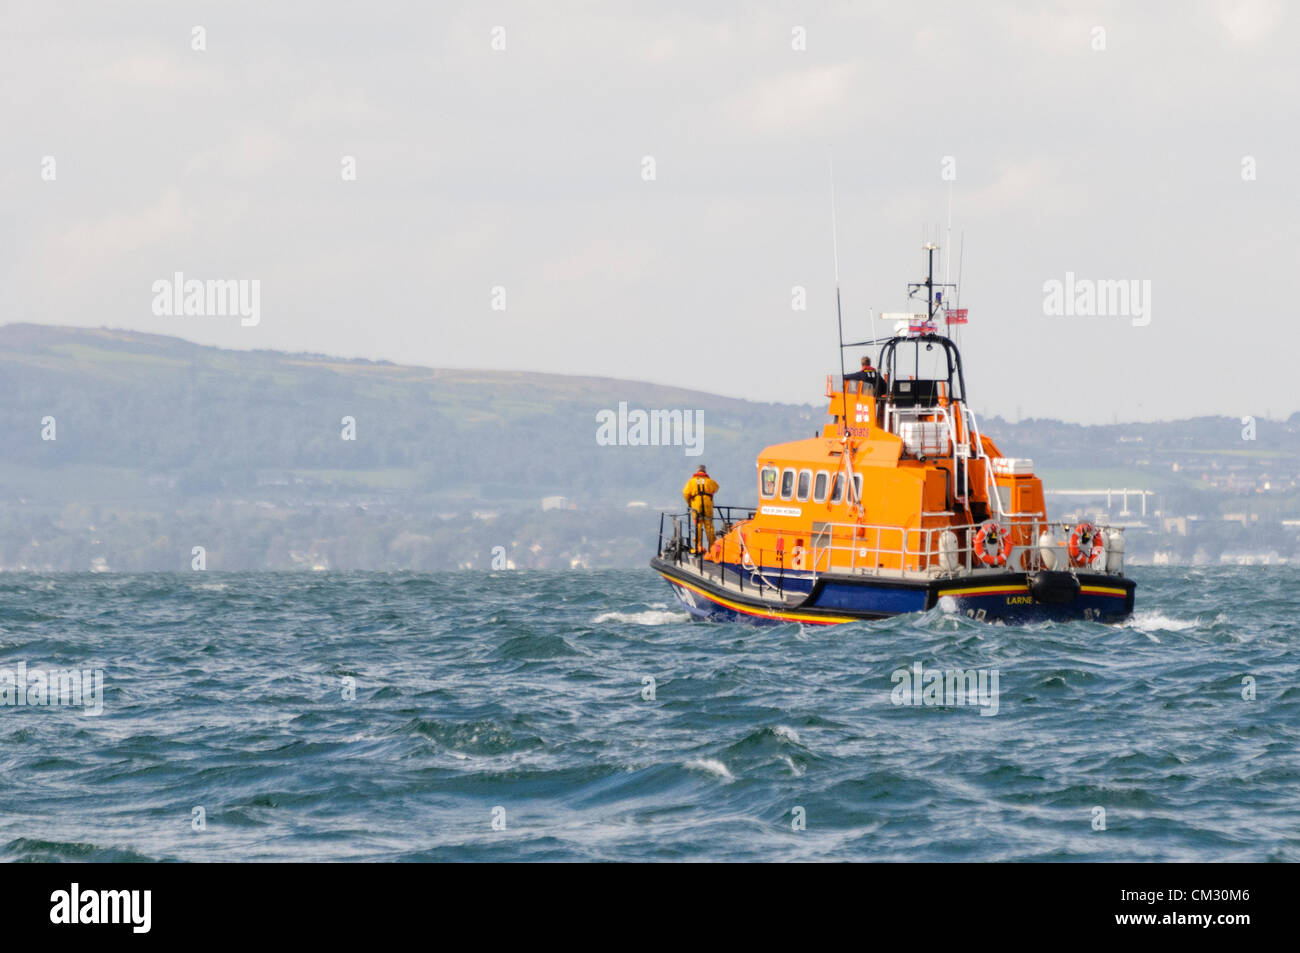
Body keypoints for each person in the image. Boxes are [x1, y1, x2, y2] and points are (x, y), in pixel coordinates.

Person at [681, 464, 719, 554]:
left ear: (697, 471)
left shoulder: (691, 482)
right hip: (708, 504)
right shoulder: (710, 481)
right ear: (705, 471)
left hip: (696, 504)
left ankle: (698, 547)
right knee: (709, 525)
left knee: (698, 525)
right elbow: (716, 488)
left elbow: (685, 493)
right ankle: (712, 547)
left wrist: (689, 503)